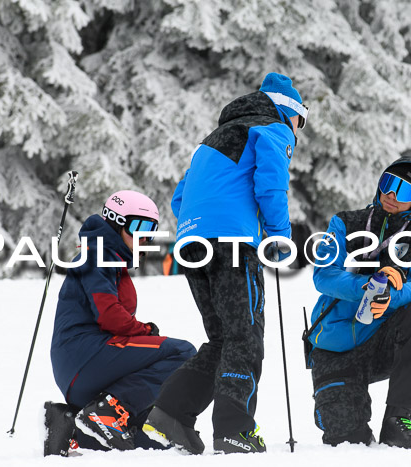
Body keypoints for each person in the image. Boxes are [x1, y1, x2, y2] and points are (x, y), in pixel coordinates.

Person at [143, 72, 307, 455]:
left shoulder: (211, 141)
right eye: (302, 117)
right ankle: (235, 429)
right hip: (233, 244)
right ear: (288, 109)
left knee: (224, 339)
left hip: (192, 243)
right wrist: (279, 236)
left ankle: (170, 414)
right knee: (245, 337)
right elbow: (271, 183)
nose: (300, 129)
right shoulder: (272, 127)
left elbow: (180, 198)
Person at [44, 190, 197, 456]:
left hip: (84, 367)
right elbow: (109, 315)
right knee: (182, 353)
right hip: (85, 355)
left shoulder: (110, 259)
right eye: (139, 226)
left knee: (148, 444)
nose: (144, 237)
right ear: (116, 222)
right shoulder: (97, 254)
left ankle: (69, 426)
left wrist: (143, 333)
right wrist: (145, 332)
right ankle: (107, 412)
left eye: (151, 230)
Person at [305, 156, 411, 449]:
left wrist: (391, 294)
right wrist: (364, 286)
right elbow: (324, 276)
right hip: (335, 346)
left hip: (382, 342)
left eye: (403, 191)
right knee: (346, 440)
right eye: (388, 184)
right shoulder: (344, 222)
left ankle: (399, 418)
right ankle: (346, 408)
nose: (391, 195)